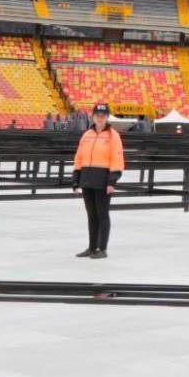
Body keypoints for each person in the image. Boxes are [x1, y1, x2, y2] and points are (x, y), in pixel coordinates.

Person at [71, 102, 125, 260]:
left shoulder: (113, 136)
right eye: (97, 115)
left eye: (103, 116)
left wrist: (112, 181)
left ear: (107, 117)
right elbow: (79, 157)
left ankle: (102, 248)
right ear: (93, 117)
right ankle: (92, 247)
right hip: (87, 180)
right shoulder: (87, 135)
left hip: (103, 181)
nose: (100, 118)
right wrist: (76, 179)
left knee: (102, 215)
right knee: (91, 215)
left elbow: (117, 159)